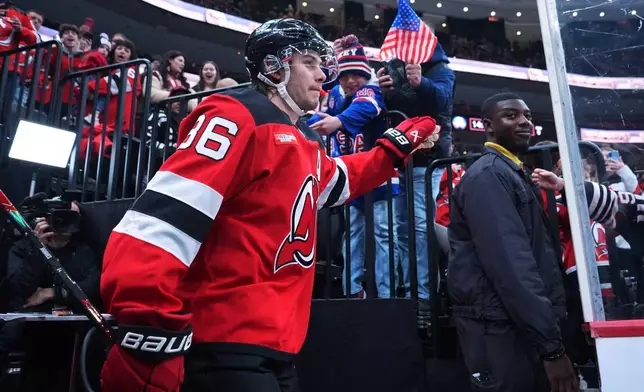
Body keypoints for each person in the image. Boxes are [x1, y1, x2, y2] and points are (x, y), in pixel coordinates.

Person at [99, 18, 439, 392]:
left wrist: (389, 151)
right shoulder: (234, 114)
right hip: (221, 345)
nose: (322, 74)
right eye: (309, 62)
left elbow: (334, 182)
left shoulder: (302, 137)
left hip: (277, 346)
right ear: (274, 66)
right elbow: (161, 223)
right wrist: (148, 329)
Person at [447, 92, 579, 392]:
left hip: (516, 324)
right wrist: (551, 347)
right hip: (499, 328)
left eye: (528, 117)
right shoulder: (488, 175)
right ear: (488, 126)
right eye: (511, 115)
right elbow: (511, 266)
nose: (524, 123)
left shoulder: (510, 172)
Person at [307, 34, 398, 299]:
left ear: (365, 75)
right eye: (345, 75)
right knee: (354, 234)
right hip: (352, 176)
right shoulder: (335, 96)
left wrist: (337, 122)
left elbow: (367, 107)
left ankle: (386, 293)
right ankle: (352, 290)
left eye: (356, 75)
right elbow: (316, 116)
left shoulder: (370, 90)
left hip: (379, 175)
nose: (350, 81)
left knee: (383, 235)